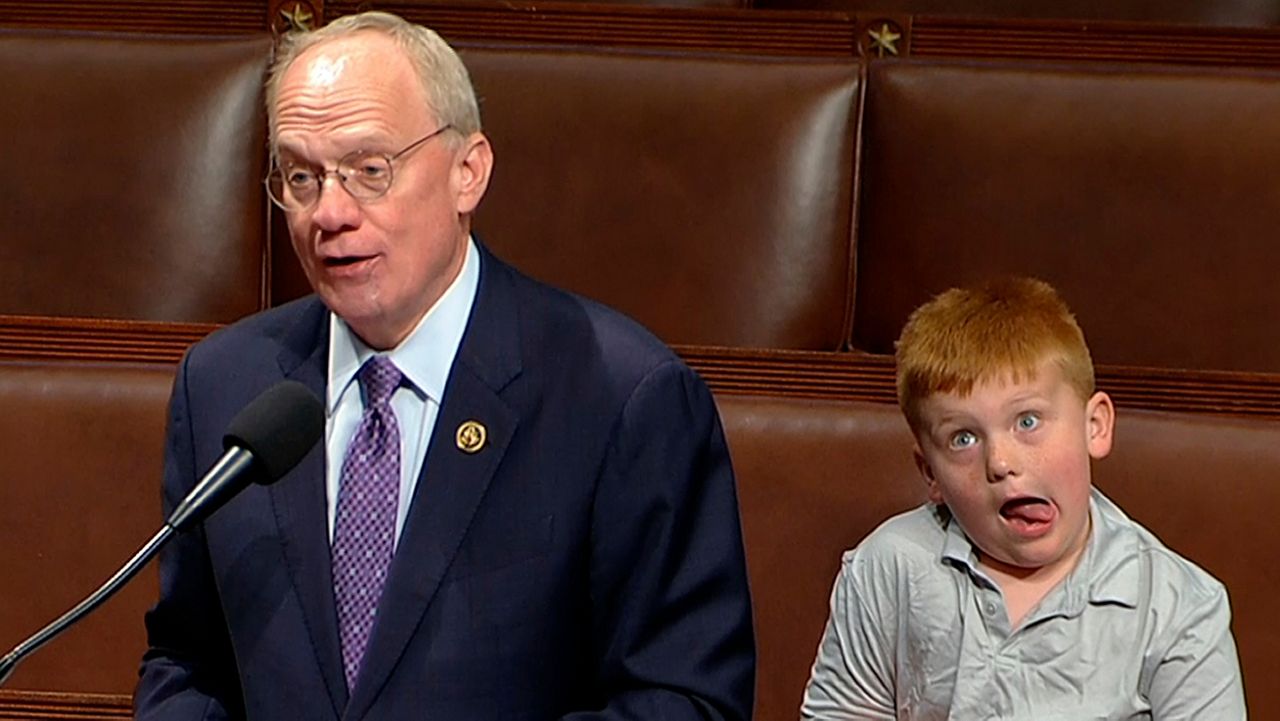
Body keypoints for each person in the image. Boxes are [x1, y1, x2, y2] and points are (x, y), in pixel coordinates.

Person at [133, 11, 755, 720]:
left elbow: (684, 699)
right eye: (301, 176)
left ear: (468, 172)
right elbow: (186, 662)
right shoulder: (224, 387)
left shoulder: (623, 398)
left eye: (370, 170)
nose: (328, 212)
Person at [800, 277, 1245, 719]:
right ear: (930, 473)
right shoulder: (889, 567)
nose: (1000, 462)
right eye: (964, 439)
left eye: (1027, 422)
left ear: (1095, 426)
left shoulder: (1180, 608)